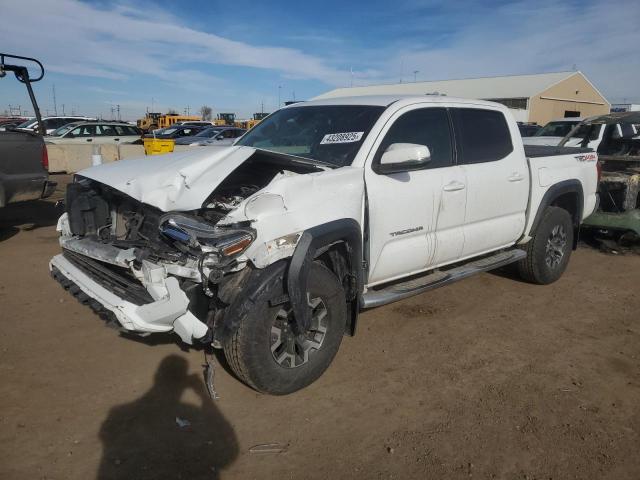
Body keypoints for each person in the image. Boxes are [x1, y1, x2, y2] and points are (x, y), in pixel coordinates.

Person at [98, 355, 238, 479]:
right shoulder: (191, 412)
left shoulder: (119, 413)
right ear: (183, 382)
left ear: (157, 376)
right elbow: (228, 451)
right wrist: (202, 393)